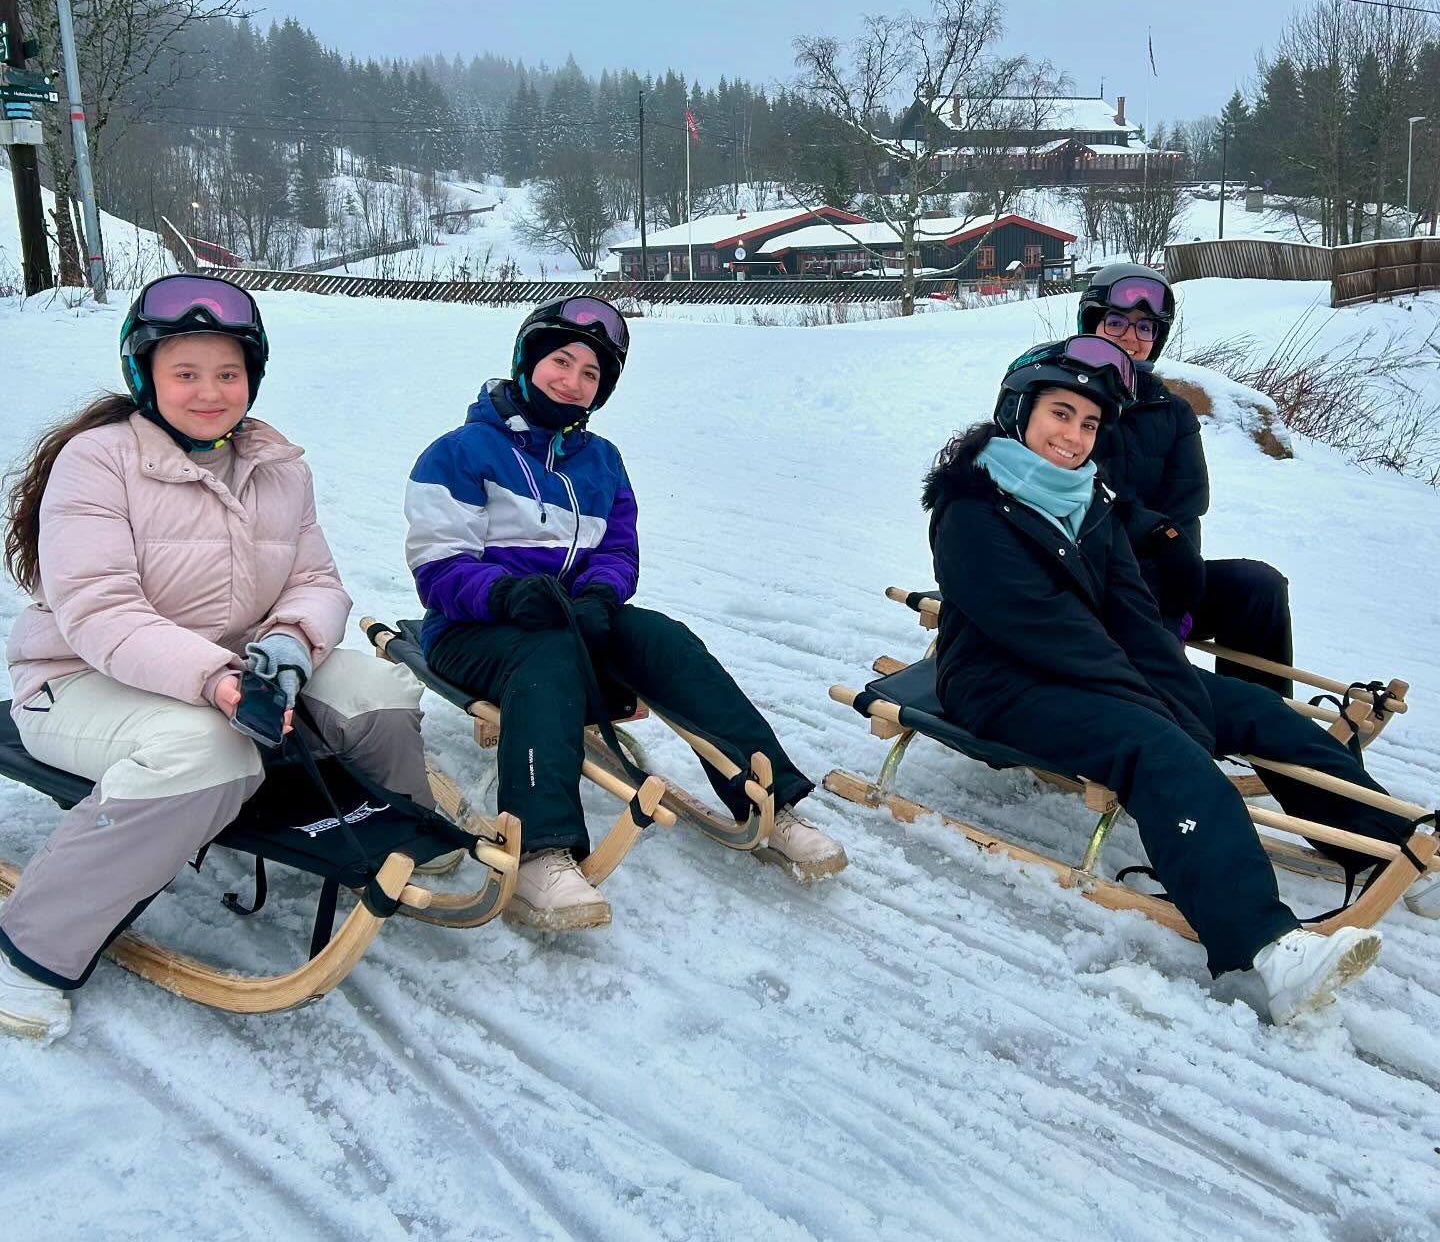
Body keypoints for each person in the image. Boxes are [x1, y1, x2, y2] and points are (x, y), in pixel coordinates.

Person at [922, 335, 1426, 1023]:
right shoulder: (971, 509)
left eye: (1089, 423)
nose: (1074, 436)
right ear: (1019, 413)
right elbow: (1045, 629)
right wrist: (1165, 719)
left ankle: (1394, 844)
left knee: (1254, 709)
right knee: (1156, 746)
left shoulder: (1086, 498)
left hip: (1092, 667)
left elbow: (1133, 616)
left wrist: (1182, 697)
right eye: (1060, 414)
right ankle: (1270, 952)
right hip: (1000, 681)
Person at [1, 275, 435, 1042]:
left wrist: (286, 645)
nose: (210, 393)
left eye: (228, 373)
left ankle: (400, 838)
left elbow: (314, 582)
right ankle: (32, 951)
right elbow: (101, 610)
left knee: (376, 688)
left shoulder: (278, 466)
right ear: (145, 376)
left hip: (235, 663)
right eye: (186, 373)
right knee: (207, 750)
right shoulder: (97, 461)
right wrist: (216, 679)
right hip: (79, 681)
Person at [404, 296, 847, 931]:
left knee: (664, 638)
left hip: (571, 620)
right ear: (527, 362)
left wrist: (599, 596)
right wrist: (504, 594)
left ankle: (768, 799)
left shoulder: (602, 460)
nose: (573, 381)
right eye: (561, 361)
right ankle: (539, 852)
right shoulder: (460, 452)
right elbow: (437, 564)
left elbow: (617, 551)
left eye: (591, 373)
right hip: (475, 631)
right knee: (546, 654)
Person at [1078, 263, 1295, 696]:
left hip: (1162, 579)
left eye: (1145, 327)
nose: (1130, 337)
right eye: (1116, 322)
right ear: (1092, 325)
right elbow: (1073, 499)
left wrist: (1177, 588)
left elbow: (1187, 505)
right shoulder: (1061, 398)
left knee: (1258, 586)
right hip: (1088, 579)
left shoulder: (1172, 411)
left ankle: (1259, 709)